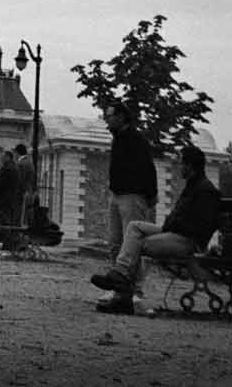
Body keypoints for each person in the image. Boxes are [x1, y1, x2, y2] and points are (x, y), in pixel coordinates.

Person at [91, 144, 222, 313]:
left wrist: (174, 224)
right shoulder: (193, 185)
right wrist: (172, 224)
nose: (179, 166)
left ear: (190, 166)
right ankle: (121, 274)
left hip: (187, 241)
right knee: (134, 227)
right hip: (173, 233)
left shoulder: (206, 191)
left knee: (140, 243)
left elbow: (203, 227)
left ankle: (122, 293)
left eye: (182, 163)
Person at [101, 100, 157, 302]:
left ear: (121, 117)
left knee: (132, 244)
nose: (106, 121)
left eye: (109, 116)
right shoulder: (119, 139)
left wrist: (150, 195)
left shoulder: (135, 139)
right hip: (118, 195)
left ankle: (136, 290)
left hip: (133, 196)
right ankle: (119, 287)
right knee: (116, 243)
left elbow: (148, 168)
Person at [0, 150, 21, 250]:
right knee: (10, 220)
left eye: (3, 157)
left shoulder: (6, 169)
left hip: (5, 198)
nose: (1, 159)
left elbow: (1, 184)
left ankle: (7, 243)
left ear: (8, 157)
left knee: (5, 220)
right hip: (12, 197)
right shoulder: (14, 168)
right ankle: (9, 243)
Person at [14, 143, 36, 229]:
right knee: (25, 215)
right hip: (28, 190)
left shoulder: (21, 163)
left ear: (17, 152)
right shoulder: (29, 162)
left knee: (20, 215)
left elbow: (20, 180)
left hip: (22, 192)